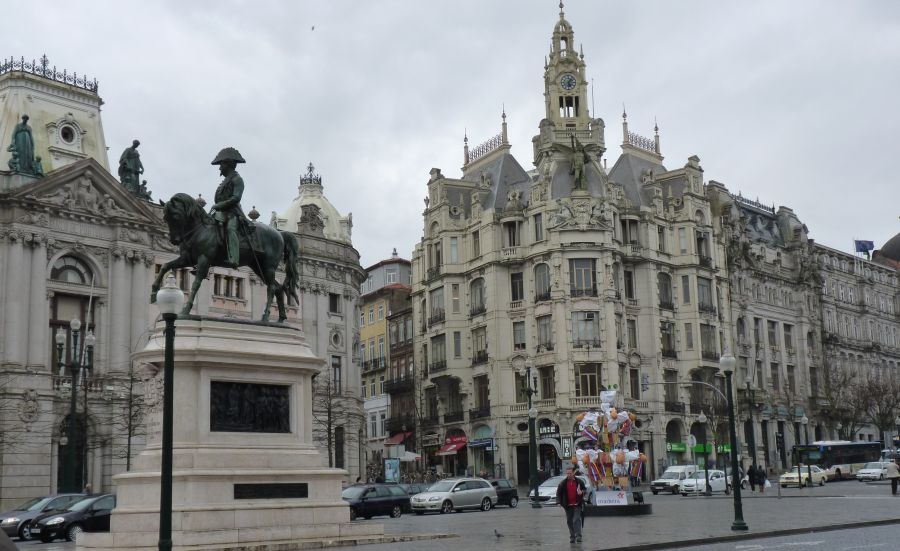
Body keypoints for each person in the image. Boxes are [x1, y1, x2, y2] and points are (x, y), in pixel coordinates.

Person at [209, 147, 248, 268]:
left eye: (221, 164)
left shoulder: (237, 179)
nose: (220, 167)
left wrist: (219, 205)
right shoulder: (225, 181)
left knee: (231, 230)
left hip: (233, 213)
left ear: (229, 164)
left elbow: (236, 198)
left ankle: (234, 258)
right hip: (220, 212)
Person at [555, 467, 586, 543]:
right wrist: (558, 502)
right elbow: (558, 493)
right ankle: (572, 536)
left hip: (577, 504)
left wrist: (582, 492)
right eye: (567, 473)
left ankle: (579, 536)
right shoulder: (563, 483)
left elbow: (585, 489)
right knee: (569, 521)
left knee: (576, 519)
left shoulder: (579, 481)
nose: (569, 475)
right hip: (568, 505)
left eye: (570, 473)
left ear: (573, 473)